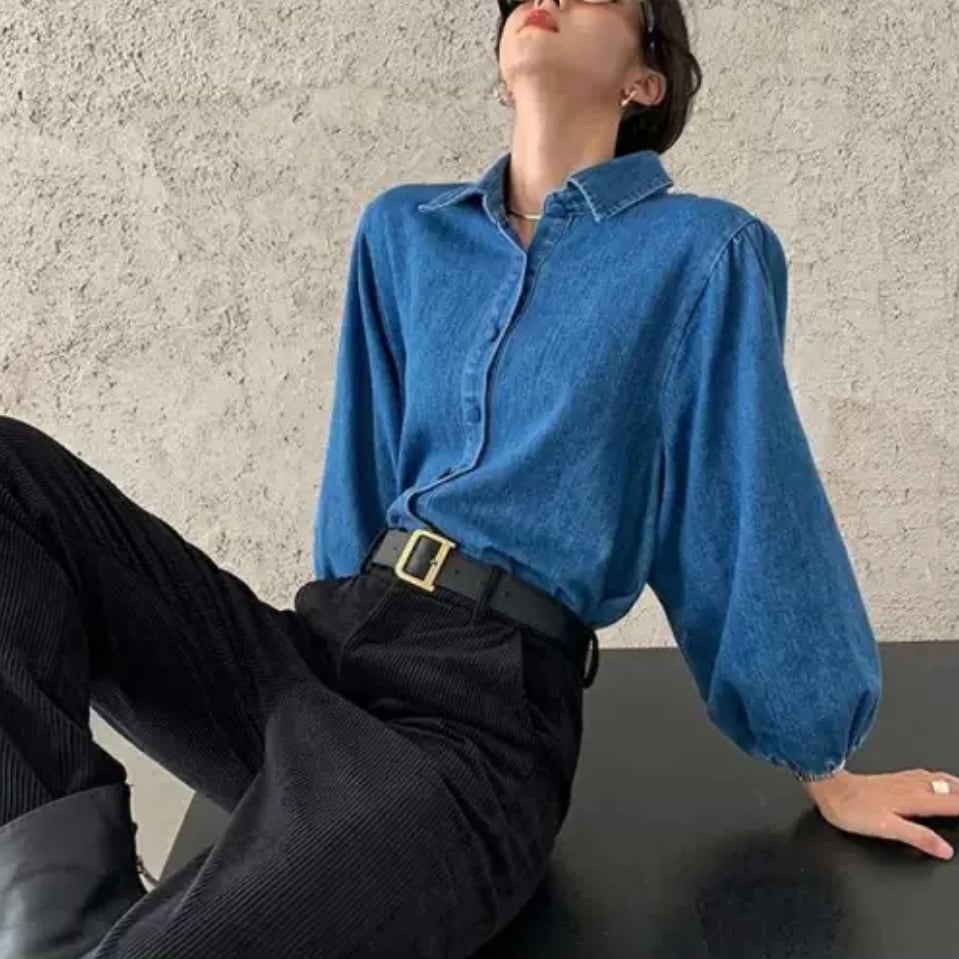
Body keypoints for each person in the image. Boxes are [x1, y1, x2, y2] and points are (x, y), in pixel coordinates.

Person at [1, 0, 957, 956]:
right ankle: (56, 918)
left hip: (480, 719)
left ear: (645, 77)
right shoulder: (403, 232)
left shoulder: (702, 254)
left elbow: (742, 502)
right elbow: (363, 469)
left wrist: (823, 760)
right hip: (319, 659)